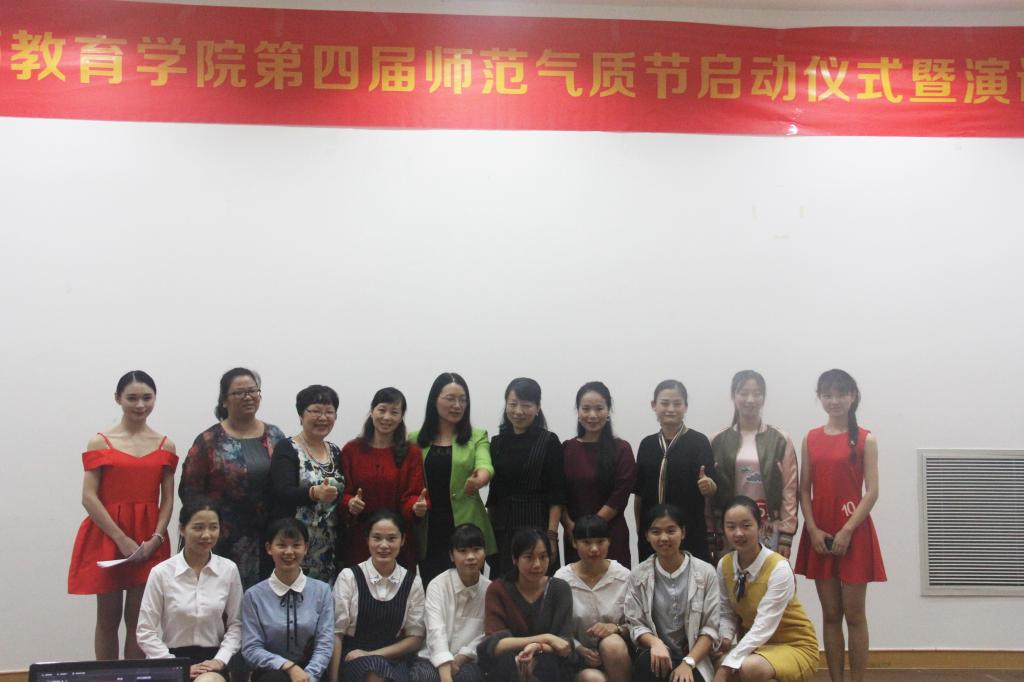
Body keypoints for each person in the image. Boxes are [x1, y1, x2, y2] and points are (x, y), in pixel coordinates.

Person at [68, 370, 178, 660]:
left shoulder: (165, 444)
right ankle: (107, 678)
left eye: (147, 398)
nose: (140, 405)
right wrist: (120, 538)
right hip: (108, 535)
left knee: (140, 621)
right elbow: (88, 497)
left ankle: (134, 677)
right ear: (118, 399)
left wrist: (156, 538)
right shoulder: (100, 442)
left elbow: (167, 498)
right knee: (108, 618)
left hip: (149, 537)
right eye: (132, 398)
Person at [794, 370, 885, 682]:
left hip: (854, 533)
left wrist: (847, 530)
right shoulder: (811, 438)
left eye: (840, 394)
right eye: (827, 395)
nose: (834, 400)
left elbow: (872, 491)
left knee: (855, 614)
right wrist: (812, 529)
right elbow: (803, 490)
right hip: (820, 533)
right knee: (831, 614)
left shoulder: (866, 439)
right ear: (820, 397)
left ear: (852, 396)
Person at [180, 367, 286, 588]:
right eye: (239, 393)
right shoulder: (209, 440)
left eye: (253, 391)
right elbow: (190, 492)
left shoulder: (275, 435)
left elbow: (284, 483)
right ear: (224, 400)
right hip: (222, 539)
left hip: (268, 538)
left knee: (263, 600)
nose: (248, 397)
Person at [137, 498, 243, 681]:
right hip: (170, 659)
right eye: (198, 528)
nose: (206, 535)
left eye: (213, 527)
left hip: (211, 661)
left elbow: (237, 625)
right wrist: (175, 665)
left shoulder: (229, 570)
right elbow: (145, 631)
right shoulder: (161, 573)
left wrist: (220, 660)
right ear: (182, 529)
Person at [714, 496, 818, 682]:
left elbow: (764, 626)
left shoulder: (779, 567)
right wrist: (725, 639)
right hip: (758, 647)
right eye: (731, 527)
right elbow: (727, 612)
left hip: (794, 645)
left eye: (746, 526)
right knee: (717, 660)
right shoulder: (725, 564)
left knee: (747, 667)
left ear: (761, 527)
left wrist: (726, 667)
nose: (738, 533)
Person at [411, 372, 495, 588]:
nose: (457, 405)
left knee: (469, 591)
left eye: (463, 400)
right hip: (429, 528)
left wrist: (479, 480)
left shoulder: (477, 436)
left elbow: (485, 465)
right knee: (433, 588)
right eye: (450, 399)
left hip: (466, 527)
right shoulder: (414, 439)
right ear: (435, 400)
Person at [709, 371, 798, 563]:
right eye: (743, 393)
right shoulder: (717, 440)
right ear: (733, 396)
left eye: (757, 394)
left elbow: (789, 489)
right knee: (730, 577)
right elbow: (709, 493)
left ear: (763, 397)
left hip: (768, 527)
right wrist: (710, 532)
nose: (750, 399)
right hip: (730, 528)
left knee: (767, 577)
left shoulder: (780, 439)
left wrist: (786, 535)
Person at [624, 504, 719, 682]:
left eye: (671, 531)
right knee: (646, 664)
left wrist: (688, 662)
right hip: (657, 657)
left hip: (694, 659)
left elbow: (710, 628)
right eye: (656, 532)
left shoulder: (706, 573)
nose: (663, 538)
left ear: (683, 533)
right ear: (647, 536)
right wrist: (655, 643)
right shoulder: (638, 575)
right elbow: (635, 624)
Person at [330, 509, 426, 682]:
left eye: (391, 538)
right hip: (352, 657)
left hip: (392, 658)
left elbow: (416, 638)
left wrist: (372, 654)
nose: (384, 545)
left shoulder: (413, 583)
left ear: (403, 540)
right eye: (377, 538)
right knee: (375, 670)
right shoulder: (349, 577)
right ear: (367, 539)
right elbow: (337, 634)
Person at [487, 378, 566, 577]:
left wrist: (552, 536)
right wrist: (489, 535)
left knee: (538, 584)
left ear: (537, 408)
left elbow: (557, 494)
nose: (518, 411)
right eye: (513, 404)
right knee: (504, 586)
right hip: (503, 529)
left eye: (526, 405)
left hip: (537, 526)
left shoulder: (549, 441)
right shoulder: (496, 443)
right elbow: (494, 495)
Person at [634, 380, 717, 564]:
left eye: (677, 404)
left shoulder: (699, 442)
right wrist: (641, 531)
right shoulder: (646, 444)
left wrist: (708, 486)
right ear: (654, 405)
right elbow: (639, 496)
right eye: (664, 403)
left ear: (685, 407)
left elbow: (712, 489)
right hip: (654, 534)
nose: (670, 409)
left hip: (690, 532)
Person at [341, 387, 426, 569]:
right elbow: (343, 492)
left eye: (394, 412)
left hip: (398, 541)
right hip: (360, 539)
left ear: (401, 417)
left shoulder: (411, 453)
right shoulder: (351, 450)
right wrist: (350, 503)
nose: (387, 417)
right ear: (372, 411)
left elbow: (414, 494)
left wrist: (416, 507)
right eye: (382, 410)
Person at [241, 518, 335, 682]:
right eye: (282, 545)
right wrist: (288, 666)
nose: (289, 552)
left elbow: (324, 644)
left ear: (306, 548)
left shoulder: (322, 591)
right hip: (271, 672)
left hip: (313, 673)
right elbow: (251, 648)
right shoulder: (254, 596)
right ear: (269, 548)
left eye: (296, 545)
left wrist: (309, 677)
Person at [270, 385, 345, 585]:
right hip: (295, 544)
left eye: (329, 412)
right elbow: (281, 491)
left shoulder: (335, 451)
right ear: (301, 415)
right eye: (316, 411)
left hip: (330, 544)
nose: (323, 417)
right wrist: (313, 493)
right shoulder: (287, 448)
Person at [478, 529, 576, 682]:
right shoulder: (498, 589)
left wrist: (538, 647)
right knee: (505, 662)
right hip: (509, 661)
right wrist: (546, 638)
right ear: (515, 559)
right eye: (529, 557)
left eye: (543, 557)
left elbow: (564, 644)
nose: (537, 564)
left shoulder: (559, 588)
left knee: (547, 664)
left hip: (549, 660)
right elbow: (495, 645)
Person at [561, 381, 636, 566]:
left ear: (608, 411)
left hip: (610, 535)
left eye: (599, 408)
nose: (592, 415)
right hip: (575, 536)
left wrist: (590, 530)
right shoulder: (566, 448)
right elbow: (558, 493)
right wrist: (569, 525)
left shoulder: (622, 449)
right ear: (578, 411)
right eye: (586, 409)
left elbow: (619, 495)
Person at [553, 516, 631, 682]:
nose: (594, 549)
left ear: (609, 542)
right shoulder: (561, 579)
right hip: (577, 657)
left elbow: (637, 624)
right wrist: (579, 649)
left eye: (600, 541)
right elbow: (557, 629)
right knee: (593, 678)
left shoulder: (624, 576)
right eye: (586, 542)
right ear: (574, 543)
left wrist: (616, 628)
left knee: (612, 644)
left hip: (619, 655)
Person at [408, 524, 490, 682]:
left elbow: (486, 635)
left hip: (468, 661)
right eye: (463, 551)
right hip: (431, 658)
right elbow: (435, 631)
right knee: (425, 677)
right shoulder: (438, 585)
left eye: (476, 550)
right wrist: (446, 672)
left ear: (484, 552)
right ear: (452, 556)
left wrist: (460, 658)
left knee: (468, 677)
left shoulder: (490, 590)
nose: (470, 557)